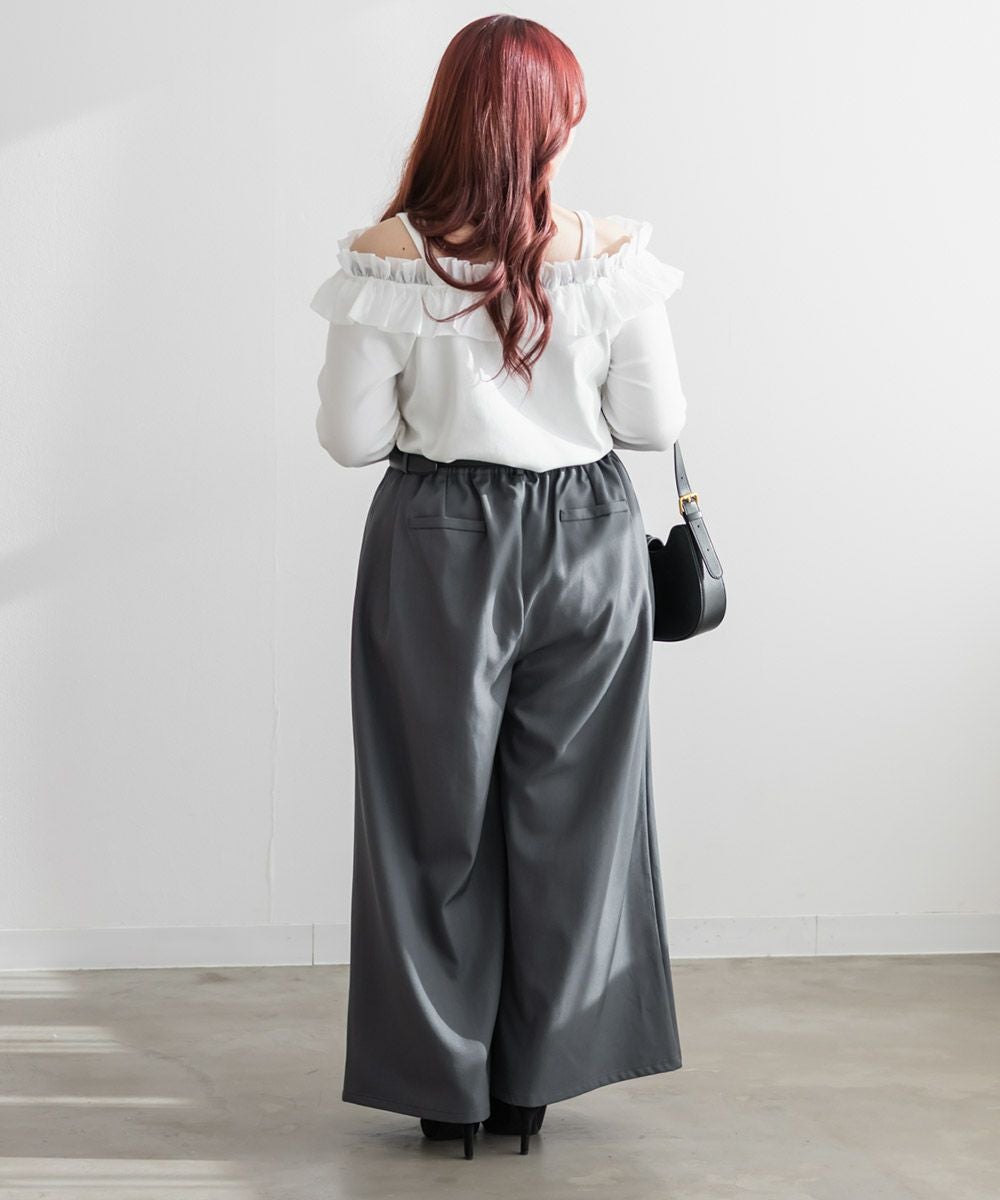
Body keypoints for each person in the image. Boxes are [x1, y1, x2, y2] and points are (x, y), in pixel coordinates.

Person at [309, 14, 687, 1161]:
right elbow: (651, 423)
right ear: (546, 125)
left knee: (426, 819)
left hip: (436, 541)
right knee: (576, 816)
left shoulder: (389, 252)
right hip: (585, 540)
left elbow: (349, 439)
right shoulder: (609, 255)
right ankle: (536, 1082)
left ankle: (446, 1091)